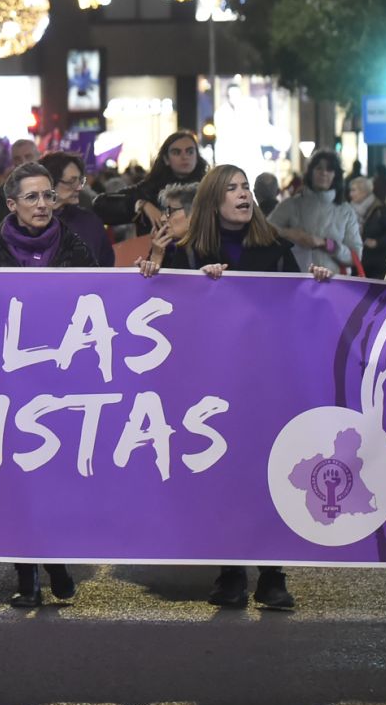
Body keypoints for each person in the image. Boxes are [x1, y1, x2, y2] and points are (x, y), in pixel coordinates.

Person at [138, 164, 331, 612]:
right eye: (233, 188)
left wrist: (316, 287)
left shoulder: (276, 248)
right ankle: (229, 572)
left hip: (266, 382)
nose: (243, 194)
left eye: (246, 187)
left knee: (268, 475)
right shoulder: (188, 253)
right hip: (211, 385)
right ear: (213, 200)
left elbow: (298, 312)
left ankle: (272, 575)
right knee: (223, 477)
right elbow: (164, 313)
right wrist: (163, 271)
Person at [0, 160, 90, 607]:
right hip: (12, 383)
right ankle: (28, 576)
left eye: (48, 196)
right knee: (18, 480)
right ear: (12, 204)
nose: (42, 204)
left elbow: (103, 305)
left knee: (53, 479)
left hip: (63, 380)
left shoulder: (77, 249)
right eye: (33, 197)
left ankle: (56, 562)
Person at [93, 131, 207, 235]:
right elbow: (100, 205)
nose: (185, 157)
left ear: (197, 156)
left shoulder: (210, 187)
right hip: (158, 254)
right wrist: (141, 204)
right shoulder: (151, 189)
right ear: (166, 159)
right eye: (176, 152)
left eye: (190, 151)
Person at [268, 150, 363, 274]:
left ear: (336, 175)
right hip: (296, 283)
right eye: (319, 168)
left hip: (333, 284)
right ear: (311, 172)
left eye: (329, 169)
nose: (324, 173)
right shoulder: (291, 205)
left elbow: (355, 256)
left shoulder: (345, 211)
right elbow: (265, 230)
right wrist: (288, 233)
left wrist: (326, 244)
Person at [39, 152, 117, 266]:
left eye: (80, 181)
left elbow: (106, 264)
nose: (79, 188)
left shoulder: (90, 222)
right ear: (49, 183)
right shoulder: (25, 222)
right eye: (71, 182)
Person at [349, 175, 386, 278]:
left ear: (364, 192)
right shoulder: (349, 210)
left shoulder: (380, 209)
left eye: (354, 190)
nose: (350, 194)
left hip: (377, 265)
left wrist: (377, 243)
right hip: (355, 263)